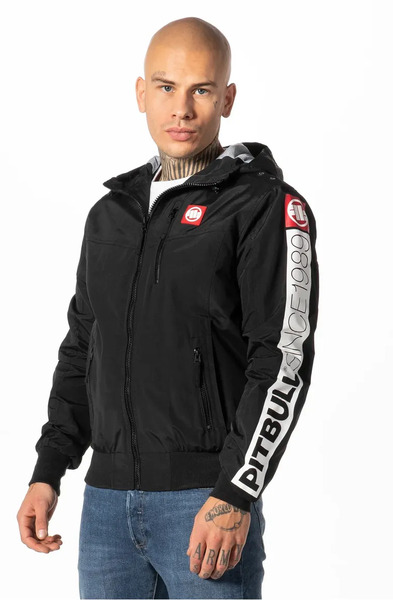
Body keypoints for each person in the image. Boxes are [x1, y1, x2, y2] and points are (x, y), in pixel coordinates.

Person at [16, 16, 319, 600]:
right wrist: (49, 468)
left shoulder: (265, 207)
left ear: (227, 98)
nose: (181, 108)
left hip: (204, 503)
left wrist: (236, 492)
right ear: (140, 93)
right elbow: (83, 345)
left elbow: (283, 359)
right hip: (105, 508)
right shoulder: (111, 214)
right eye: (165, 87)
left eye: (201, 89)